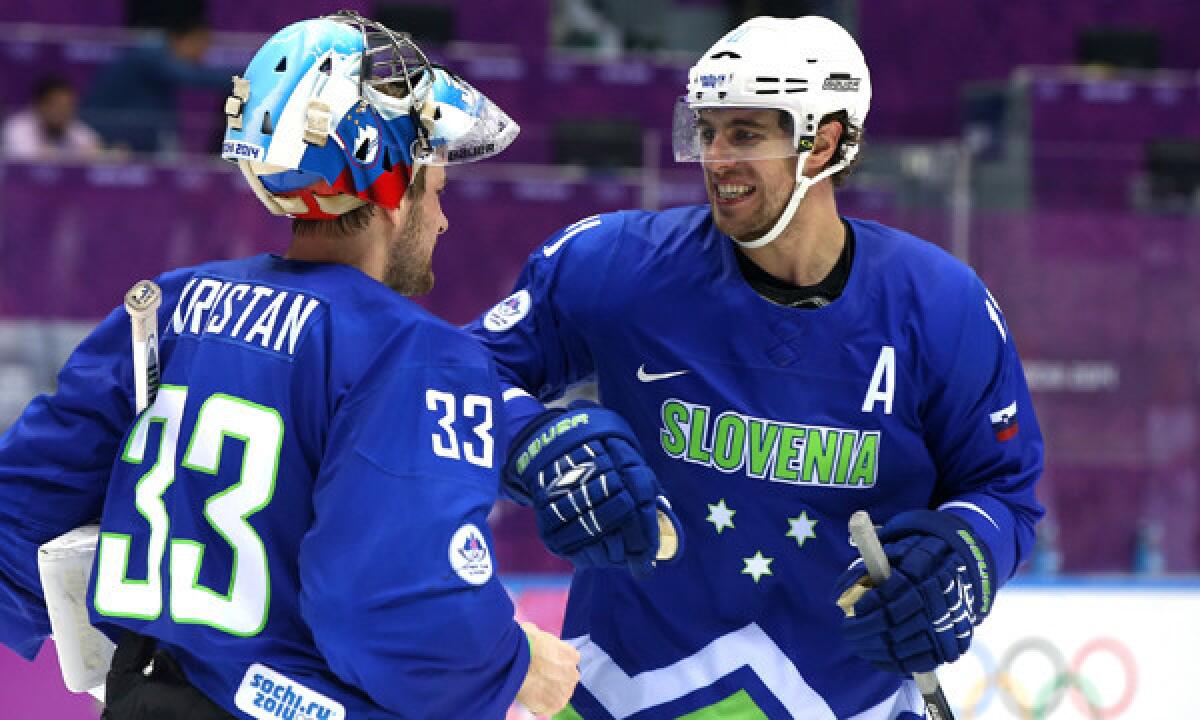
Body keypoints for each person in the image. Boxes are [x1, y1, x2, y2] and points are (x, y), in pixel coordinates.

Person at [0, 11, 579, 720]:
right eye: (436, 188)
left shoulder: (168, 306)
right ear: (392, 187)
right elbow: (388, 602)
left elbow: (17, 517)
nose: (443, 219)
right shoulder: (416, 352)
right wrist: (511, 664)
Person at [468, 15, 1044, 719]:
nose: (715, 157)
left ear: (823, 142)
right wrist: (534, 444)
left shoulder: (941, 307)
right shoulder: (618, 266)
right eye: (707, 132)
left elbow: (1003, 487)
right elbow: (456, 376)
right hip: (618, 695)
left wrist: (962, 559)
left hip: (846, 701)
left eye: (745, 134)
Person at [82, 17, 232, 154]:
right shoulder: (151, 55)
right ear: (183, 39)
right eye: (201, 45)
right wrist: (246, 78)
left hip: (142, 135)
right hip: (111, 135)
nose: (203, 54)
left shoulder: (158, 56)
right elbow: (194, 77)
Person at [2, 76, 103, 160]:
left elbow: (93, 146)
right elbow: (26, 159)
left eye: (69, 106)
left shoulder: (72, 126)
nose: (64, 112)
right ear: (40, 105)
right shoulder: (17, 128)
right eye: (57, 106)